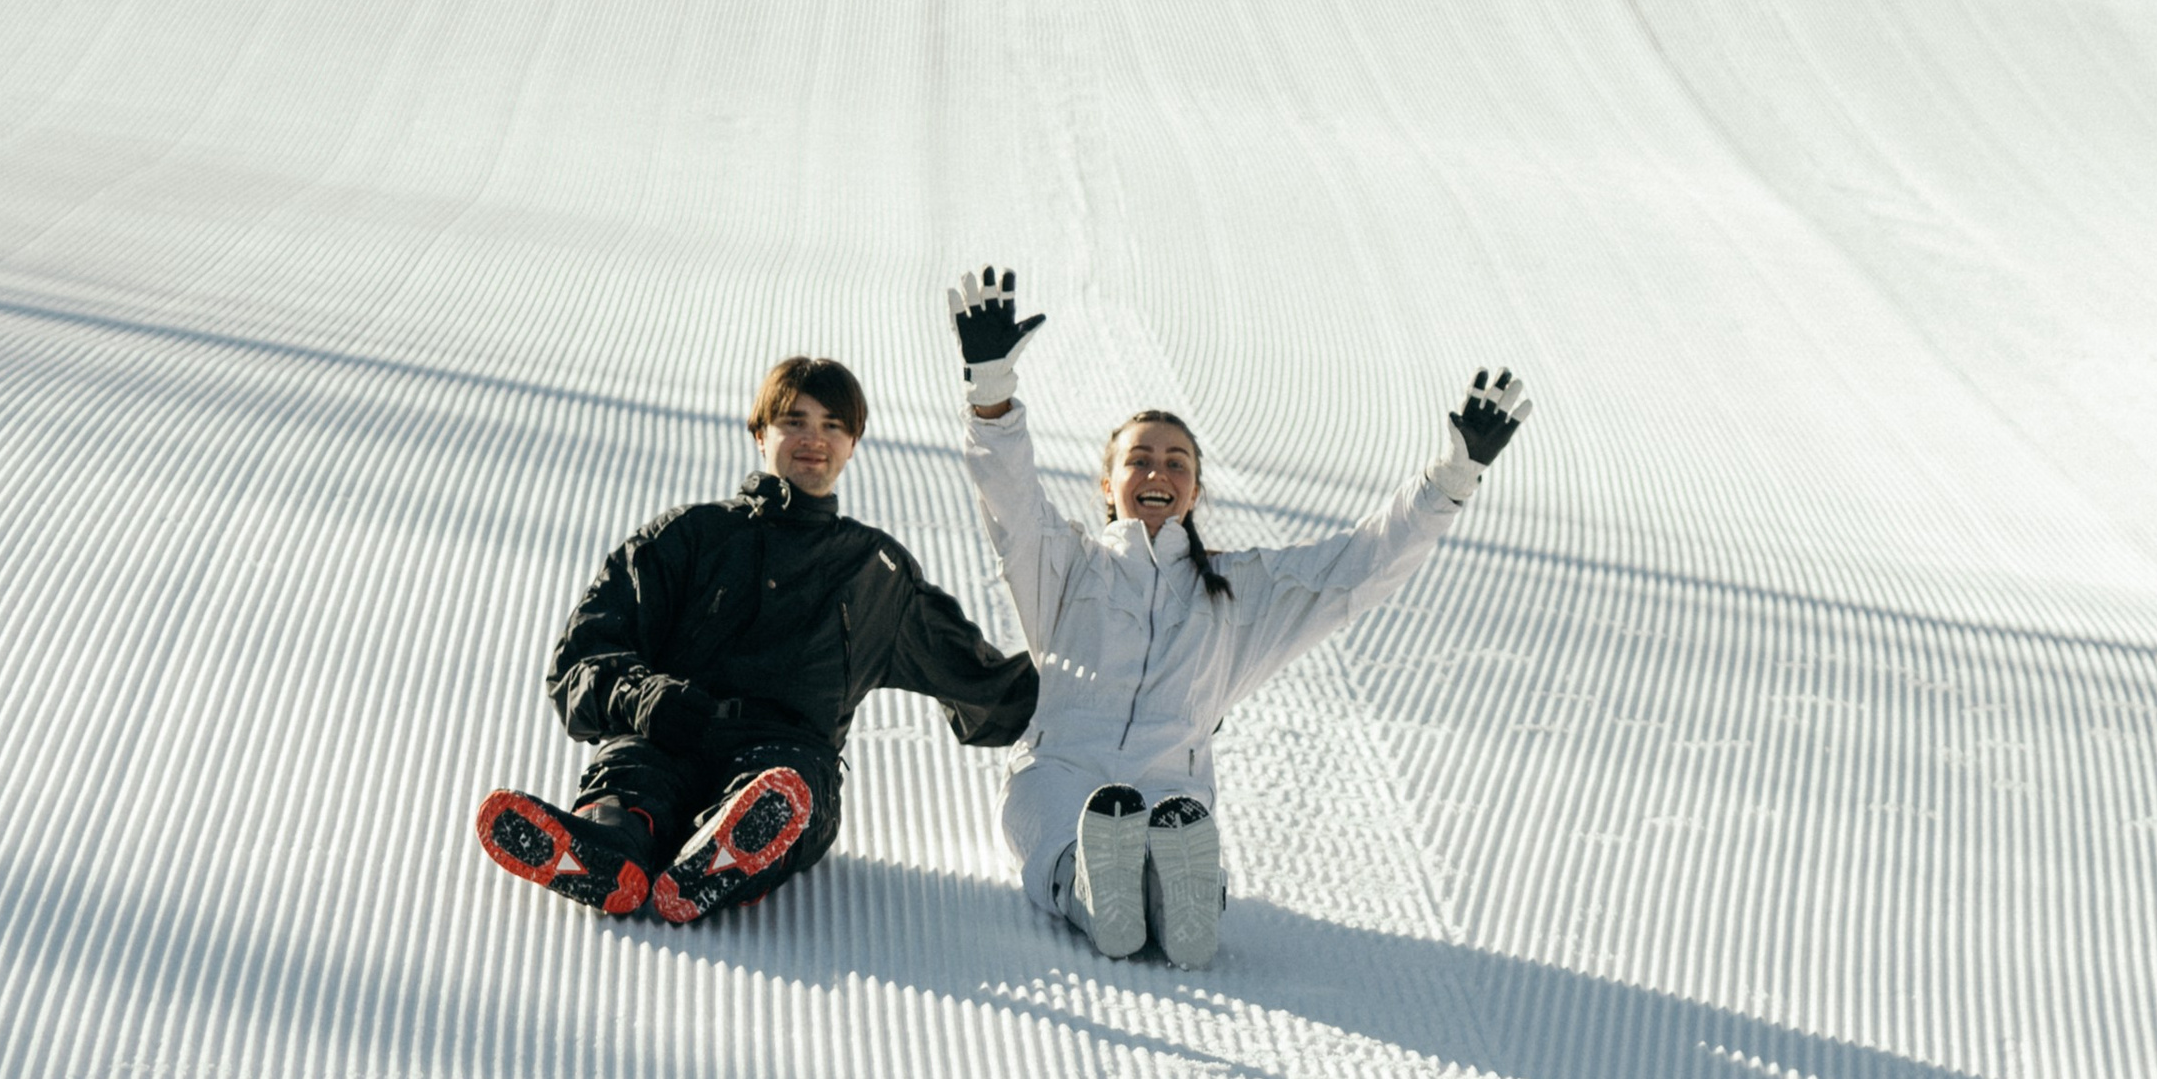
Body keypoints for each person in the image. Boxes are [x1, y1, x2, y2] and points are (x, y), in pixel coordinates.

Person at [947, 267, 1530, 967]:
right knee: (1059, 837)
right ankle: (1094, 891)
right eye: (1139, 460)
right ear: (1109, 484)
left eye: (1175, 462)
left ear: (1195, 488)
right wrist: (992, 397)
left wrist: (1451, 480)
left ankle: (1182, 893)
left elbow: (1358, 566)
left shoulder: (1238, 591)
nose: (1157, 473)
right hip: (1061, 771)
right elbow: (1010, 500)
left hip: (1171, 791)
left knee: (1173, 833)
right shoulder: (1067, 565)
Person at [477, 355, 1038, 927]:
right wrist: (648, 697)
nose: (813, 438)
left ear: (853, 443)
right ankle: (609, 841)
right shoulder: (688, 537)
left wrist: (1106, 680)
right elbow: (580, 661)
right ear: (760, 433)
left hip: (786, 759)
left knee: (783, 793)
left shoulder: (875, 571)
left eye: (832, 425)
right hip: (668, 731)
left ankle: (728, 851)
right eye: (794, 420)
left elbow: (987, 688)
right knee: (636, 771)